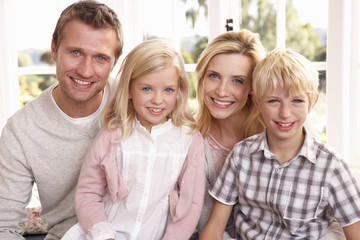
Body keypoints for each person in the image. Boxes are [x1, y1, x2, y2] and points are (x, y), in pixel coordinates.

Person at [200, 48, 360, 239]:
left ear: (312, 102)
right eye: (274, 101)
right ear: (257, 103)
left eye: (297, 101)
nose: (285, 113)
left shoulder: (331, 166)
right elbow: (215, 227)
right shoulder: (240, 155)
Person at [0, 1, 123, 239]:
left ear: (114, 63)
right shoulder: (21, 130)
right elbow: (4, 226)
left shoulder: (134, 104)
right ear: (54, 50)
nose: (86, 71)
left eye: (100, 58)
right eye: (76, 52)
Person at [61, 39, 206, 240]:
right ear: (129, 90)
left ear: (179, 90)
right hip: (105, 234)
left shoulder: (189, 140)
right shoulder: (111, 136)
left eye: (168, 90)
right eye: (147, 89)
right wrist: (105, 236)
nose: (158, 99)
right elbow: (87, 194)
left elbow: (191, 204)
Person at [193, 30, 266, 239]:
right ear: (202, 77)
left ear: (253, 86)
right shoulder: (190, 138)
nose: (222, 91)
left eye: (238, 81)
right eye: (214, 76)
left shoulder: (280, 129)